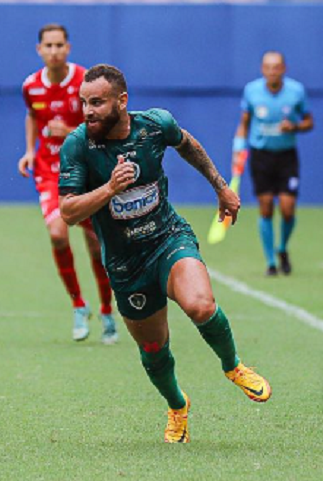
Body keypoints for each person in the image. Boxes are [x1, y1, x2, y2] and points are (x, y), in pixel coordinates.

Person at [59, 64, 272, 443]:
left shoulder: (155, 126)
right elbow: (69, 211)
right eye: (84, 103)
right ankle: (177, 406)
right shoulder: (78, 145)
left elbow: (187, 143)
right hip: (125, 264)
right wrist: (108, 189)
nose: (88, 111)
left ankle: (233, 365)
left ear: (122, 102)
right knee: (154, 347)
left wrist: (221, 188)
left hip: (167, 239)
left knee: (201, 306)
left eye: (97, 102)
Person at [18, 23, 117, 344]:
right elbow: (33, 116)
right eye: (48, 45)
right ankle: (78, 304)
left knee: (95, 245)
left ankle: (106, 309)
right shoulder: (31, 86)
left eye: (59, 45)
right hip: (50, 170)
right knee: (58, 233)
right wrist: (29, 151)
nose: (54, 51)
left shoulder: (85, 82)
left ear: (68, 48)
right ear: (39, 50)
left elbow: (101, 123)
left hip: (84, 170)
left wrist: (74, 129)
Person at [234, 51, 313, 276]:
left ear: (284, 69)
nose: (272, 71)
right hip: (261, 156)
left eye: (276, 67)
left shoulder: (296, 91)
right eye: (268, 67)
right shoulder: (252, 91)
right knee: (266, 205)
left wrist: (295, 126)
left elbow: (309, 121)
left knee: (287, 209)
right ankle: (270, 261)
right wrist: (238, 147)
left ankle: (282, 248)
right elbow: (244, 123)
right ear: (262, 69)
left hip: (286, 156)